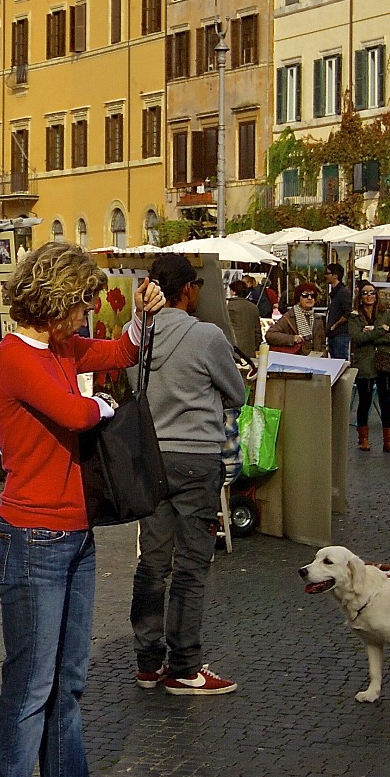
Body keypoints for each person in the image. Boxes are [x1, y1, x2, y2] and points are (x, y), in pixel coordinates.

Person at [0, 241, 161, 777]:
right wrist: (105, 403)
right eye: (83, 301)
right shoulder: (12, 359)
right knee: (30, 685)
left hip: (75, 532)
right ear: (57, 299)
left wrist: (141, 315)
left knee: (69, 680)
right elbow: (76, 412)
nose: (88, 313)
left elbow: (118, 353)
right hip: (31, 537)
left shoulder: (60, 348)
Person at [133, 254, 246, 697]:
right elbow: (236, 392)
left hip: (150, 455)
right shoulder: (206, 336)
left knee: (152, 561)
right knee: (192, 564)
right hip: (196, 457)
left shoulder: (140, 335)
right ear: (187, 290)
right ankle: (184, 665)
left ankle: (147, 662)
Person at [348, 280, 390, 453]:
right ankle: (363, 439)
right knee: (364, 400)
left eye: (372, 292)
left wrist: (372, 334)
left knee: (385, 400)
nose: (369, 296)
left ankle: (389, 441)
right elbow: (357, 338)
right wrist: (380, 330)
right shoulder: (354, 316)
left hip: (384, 361)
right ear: (360, 296)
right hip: (365, 363)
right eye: (365, 293)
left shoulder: (385, 314)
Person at [265, 282, 322, 353]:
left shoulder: (317, 319)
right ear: (298, 298)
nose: (309, 298)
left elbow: (322, 344)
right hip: (296, 359)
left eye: (312, 295)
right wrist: (292, 338)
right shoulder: (289, 317)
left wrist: (322, 356)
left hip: (314, 360)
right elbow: (270, 335)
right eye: (305, 295)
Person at [222, 276, 264, 358]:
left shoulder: (227, 306)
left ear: (233, 292)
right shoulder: (253, 307)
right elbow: (257, 332)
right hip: (248, 350)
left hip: (231, 349)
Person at [323, 263, 353, 362]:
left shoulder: (343, 292)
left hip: (340, 335)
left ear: (335, 276)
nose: (325, 276)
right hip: (333, 335)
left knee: (340, 362)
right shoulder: (336, 293)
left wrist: (334, 325)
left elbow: (347, 312)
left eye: (327, 273)